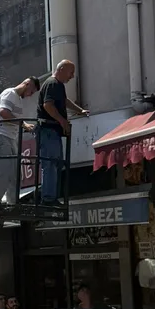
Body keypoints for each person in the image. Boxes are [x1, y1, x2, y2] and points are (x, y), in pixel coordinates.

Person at [36, 60, 89, 204]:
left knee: (56, 163)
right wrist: (62, 121)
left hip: (52, 131)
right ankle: (48, 198)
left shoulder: (57, 85)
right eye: (71, 72)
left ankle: (50, 196)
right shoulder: (52, 83)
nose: (72, 76)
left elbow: (64, 101)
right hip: (48, 130)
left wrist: (80, 110)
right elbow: (48, 105)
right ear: (62, 69)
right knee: (51, 163)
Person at [0, 76, 40, 205]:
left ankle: (12, 204)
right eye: (31, 91)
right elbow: (3, 112)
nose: (30, 95)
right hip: (2, 135)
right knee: (5, 171)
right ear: (27, 84)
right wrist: (23, 124)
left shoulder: (17, 99)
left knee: (15, 175)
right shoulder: (10, 93)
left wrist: (23, 126)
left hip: (10, 137)